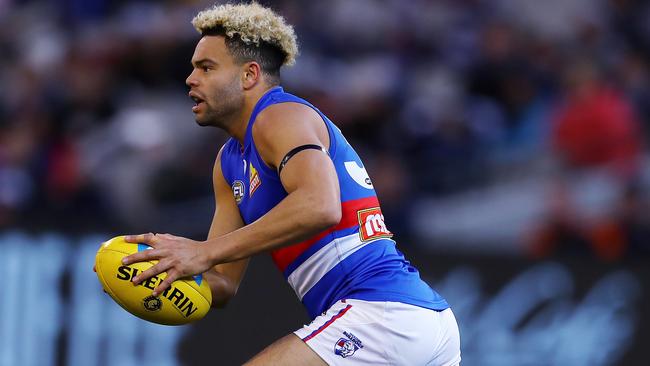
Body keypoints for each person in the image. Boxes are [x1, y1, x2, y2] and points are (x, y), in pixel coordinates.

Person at [121, 3, 460, 365]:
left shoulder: (279, 115)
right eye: (192, 68)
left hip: (383, 312)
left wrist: (204, 251)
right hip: (405, 322)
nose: (191, 79)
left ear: (249, 75)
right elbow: (222, 284)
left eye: (206, 67)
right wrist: (159, 270)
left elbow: (320, 206)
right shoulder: (228, 163)